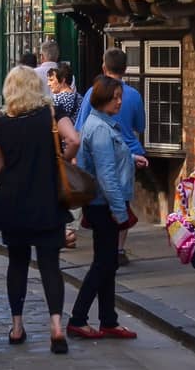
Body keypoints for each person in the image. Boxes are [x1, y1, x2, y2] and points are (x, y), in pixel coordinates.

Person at [0, 65, 79, 353]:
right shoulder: (51, 116)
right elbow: (75, 140)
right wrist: (60, 161)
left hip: (14, 203)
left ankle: (17, 327)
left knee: (17, 264)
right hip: (47, 201)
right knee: (50, 265)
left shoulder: (1, 125)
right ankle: (56, 327)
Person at [68, 75, 141, 342]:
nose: (120, 101)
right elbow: (106, 174)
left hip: (103, 204)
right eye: (115, 97)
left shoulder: (102, 125)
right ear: (102, 99)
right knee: (103, 264)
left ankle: (108, 319)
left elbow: (111, 159)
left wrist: (132, 159)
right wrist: (120, 211)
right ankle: (78, 318)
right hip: (104, 206)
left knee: (107, 264)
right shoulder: (100, 129)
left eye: (121, 96)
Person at [77, 50, 147, 264]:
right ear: (125, 69)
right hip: (128, 149)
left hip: (119, 153)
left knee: (114, 196)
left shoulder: (92, 93)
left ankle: (110, 252)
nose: (118, 101)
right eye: (115, 98)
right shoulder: (133, 95)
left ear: (104, 67)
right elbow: (140, 126)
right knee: (122, 197)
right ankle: (118, 249)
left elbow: (80, 127)